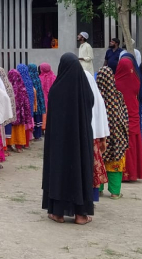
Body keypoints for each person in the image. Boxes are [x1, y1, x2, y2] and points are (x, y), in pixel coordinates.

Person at [42, 53, 95, 225]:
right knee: (80, 171)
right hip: (80, 142)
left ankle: (58, 213)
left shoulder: (56, 91)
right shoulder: (85, 89)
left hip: (59, 145)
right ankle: (81, 215)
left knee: (59, 172)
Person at [96, 66, 129, 199]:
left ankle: (98, 189)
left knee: (98, 162)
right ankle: (115, 192)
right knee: (114, 163)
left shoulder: (95, 96)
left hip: (100, 134)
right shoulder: (117, 95)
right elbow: (124, 116)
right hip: (116, 136)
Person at [115, 55, 142, 182]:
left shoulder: (115, 82)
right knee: (133, 144)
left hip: (120, 117)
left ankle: (122, 173)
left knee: (121, 145)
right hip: (133, 115)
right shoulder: (137, 81)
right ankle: (133, 173)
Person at [84, 69, 110, 202]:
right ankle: (92, 198)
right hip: (94, 137)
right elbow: (102, 120)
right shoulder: (97, 98)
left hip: (87, 138)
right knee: (93, 168)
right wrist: (103, 137)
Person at [7, 69, 32, 152]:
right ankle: (19, 146)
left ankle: (9, 145)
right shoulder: (22, 87)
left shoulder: (7, 87)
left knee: (10, 129)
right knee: (19, 128)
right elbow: (26, 102)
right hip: (20, 114)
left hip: (10, 115)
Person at [29, 64, 47, 139]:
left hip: (33, 102)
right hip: (39, 102)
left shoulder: (29, 78)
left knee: (34, 118)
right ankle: (38, 135)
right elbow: (40, 91)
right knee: (38, 119)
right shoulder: (37, 77)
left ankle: (32, 135)